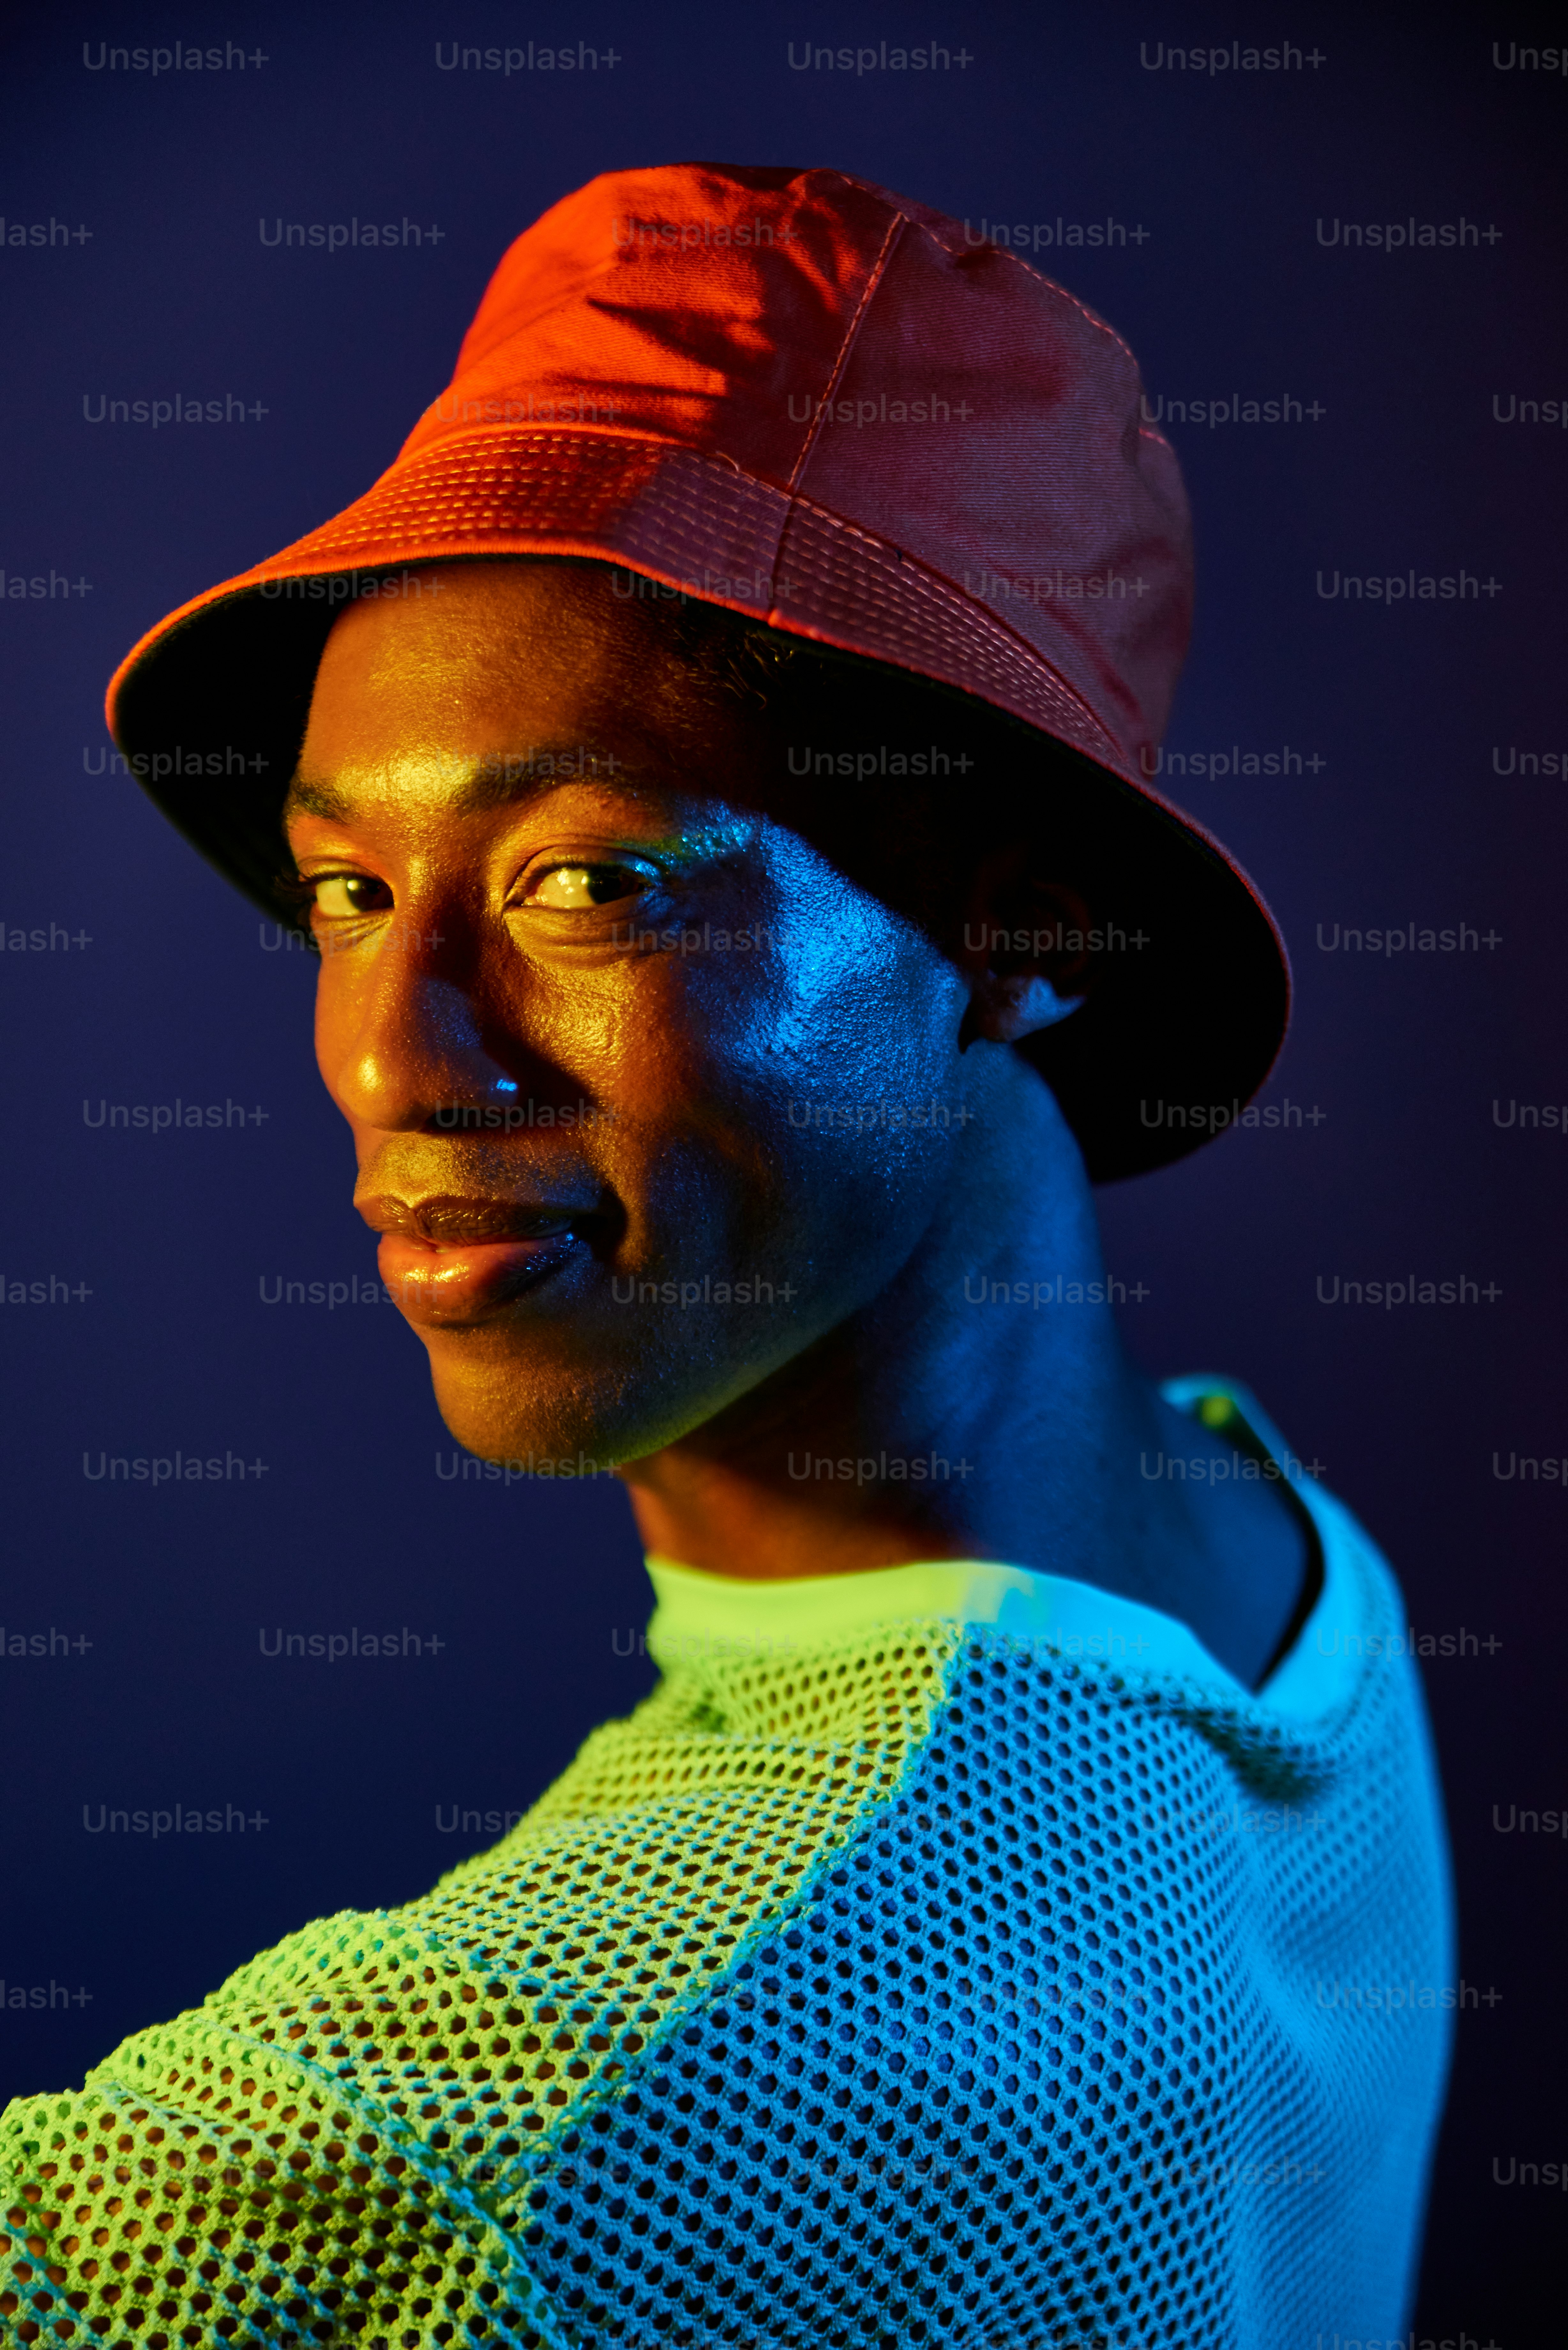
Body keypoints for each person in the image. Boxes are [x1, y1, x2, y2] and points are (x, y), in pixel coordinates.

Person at [0, 163, 1451, 2350]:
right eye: (349, 894)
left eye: (590, 885)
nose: (393, 1060)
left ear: (1025, 928)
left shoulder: (522, 2115)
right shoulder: (1277, 1572)